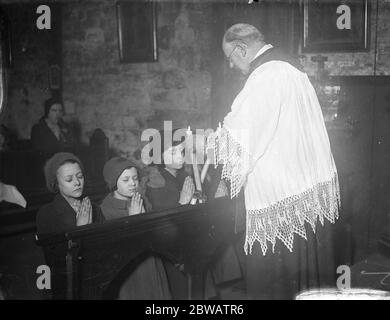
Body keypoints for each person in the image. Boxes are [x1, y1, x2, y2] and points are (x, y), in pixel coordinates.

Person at [208, 24, 340, 299]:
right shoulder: (293, 71)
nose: (231, 65)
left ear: (241, 49)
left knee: (275, 287)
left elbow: (240, 139)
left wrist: (202, 143)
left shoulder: (266, 76)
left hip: (279, 202)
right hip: (305, 199)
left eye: (230, 57)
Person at [100, 157, 171, 300]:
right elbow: (115, 251)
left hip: (151, 263)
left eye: (135, 178)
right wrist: (133, 221)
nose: (132, 183)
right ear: (113, 183)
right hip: (131, 272)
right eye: (126, 180)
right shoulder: (106, 209)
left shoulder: (142, 199)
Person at [36, 152, 104, 236]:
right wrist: (79, 229)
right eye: (69, 179)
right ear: (56, 183)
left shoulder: (95, 208)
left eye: (80, 176)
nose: (77, 182)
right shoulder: (46, 214)